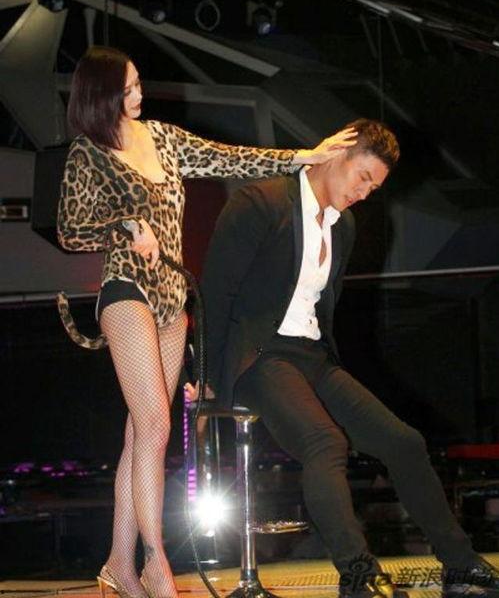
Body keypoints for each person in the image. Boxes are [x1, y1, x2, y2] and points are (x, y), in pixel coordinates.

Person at [56, 45, 358, 598]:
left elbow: (228, 158)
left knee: (140, 434)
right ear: (101, 94)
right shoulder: (87, 153)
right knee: (155, 425)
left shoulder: (162, 138)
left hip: (173, 296)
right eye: (128, 87)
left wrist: (305, 156)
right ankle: (156, 562)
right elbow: (70, 231)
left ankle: (118, 563)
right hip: (127, 290)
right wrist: (124, 224)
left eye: (138, 83)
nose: (139, 94)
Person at [200, 118, 499, 598]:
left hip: (311, 357)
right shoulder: (261, 202)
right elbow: (214, 294)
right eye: (362, 178)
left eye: (373, 188)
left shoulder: (343, 226)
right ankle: (357, 572)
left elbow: (322, 307)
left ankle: (460, 564)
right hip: (259, 356)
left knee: (404, 442)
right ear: (338, 154)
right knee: (325, 443)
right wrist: (207, 376)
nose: (363, 193)